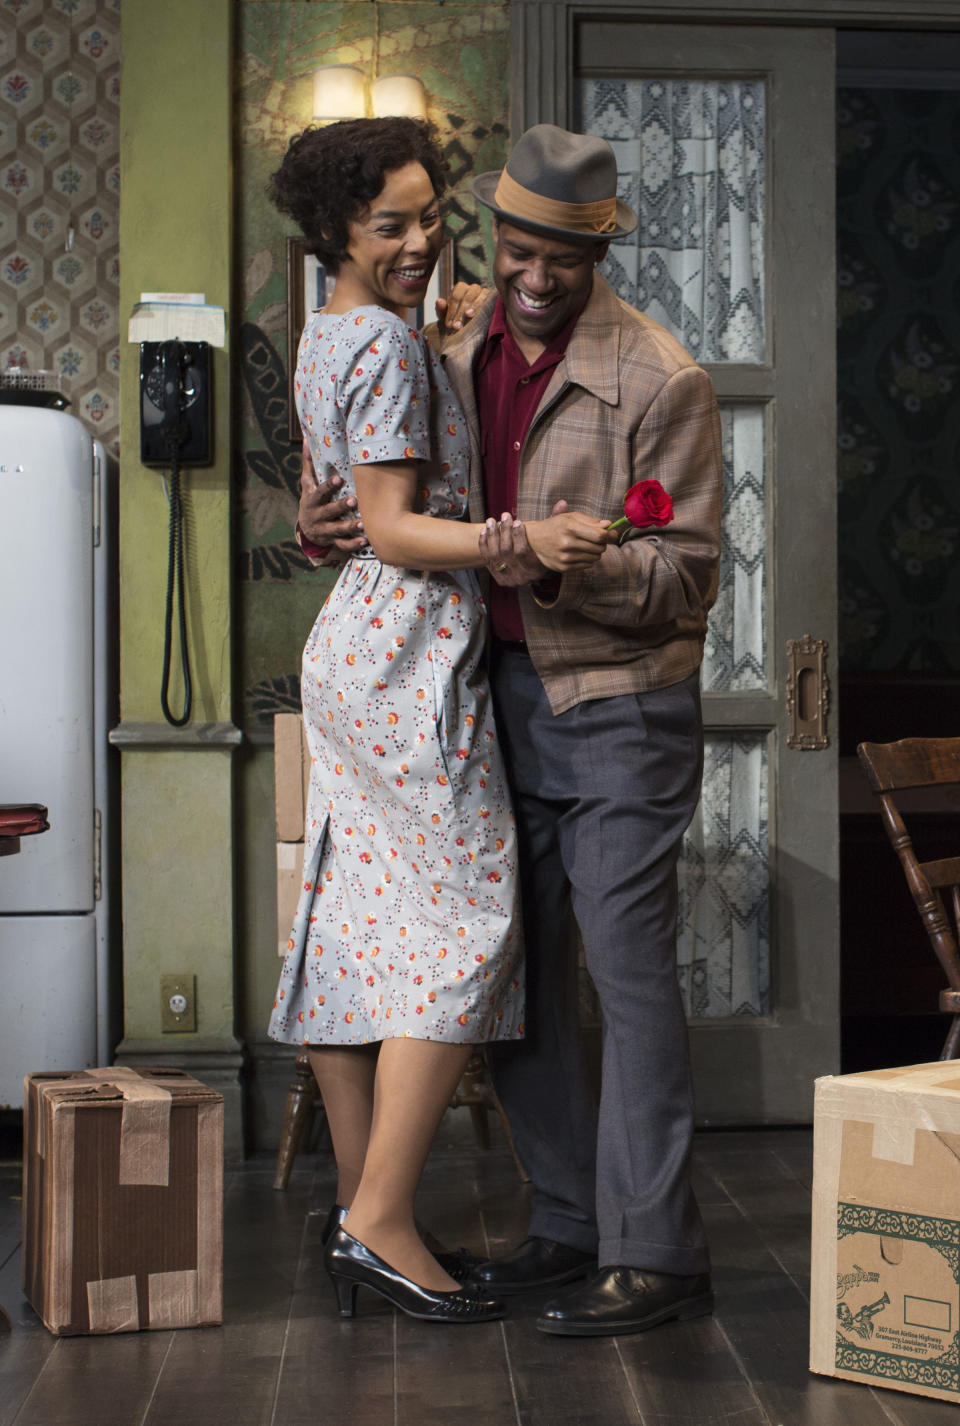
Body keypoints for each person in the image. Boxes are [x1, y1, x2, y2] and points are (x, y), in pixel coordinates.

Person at [301, 123, 724, 1338]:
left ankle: (659, 1251)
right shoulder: (458, 330)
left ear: (599, 253)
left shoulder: (661, 377)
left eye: (564, 259)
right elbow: (391, 490)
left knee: (631, 978)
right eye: (519, 250)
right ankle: (570, 1222)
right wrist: (331, 513)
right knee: (518, 973)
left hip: (622, 710)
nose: (534, 277)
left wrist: (565, 566)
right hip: (488, 699)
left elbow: (687, 581)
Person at [266, 116, 612, 1326]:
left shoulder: (335, 331)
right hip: (405, 656)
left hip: (362, 651)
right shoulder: (389, 351)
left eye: (431, 215)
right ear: (333, 233)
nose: (423, 242)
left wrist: (438, 337)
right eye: (391, 225)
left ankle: (367, 1210)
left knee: (361, 921)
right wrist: (517, 541)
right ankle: (379, 1216)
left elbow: (344, 514)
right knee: (467, 918)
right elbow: (400, 526)